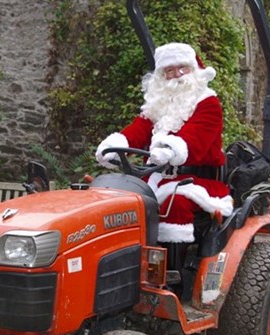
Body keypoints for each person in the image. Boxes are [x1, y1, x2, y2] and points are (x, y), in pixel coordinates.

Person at [95, 42, 233, 244]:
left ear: (193, 70)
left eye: (182, 68)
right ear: (162, 76)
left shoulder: (208, 103)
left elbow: (195, 139)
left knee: (174, 203)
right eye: (169, 70)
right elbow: (139, 128)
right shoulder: (158, 104)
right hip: (156, 177)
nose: (177, 75)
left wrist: (169, 150)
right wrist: (116, 144)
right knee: (118, 202)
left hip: (194, 180)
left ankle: (170, 266)